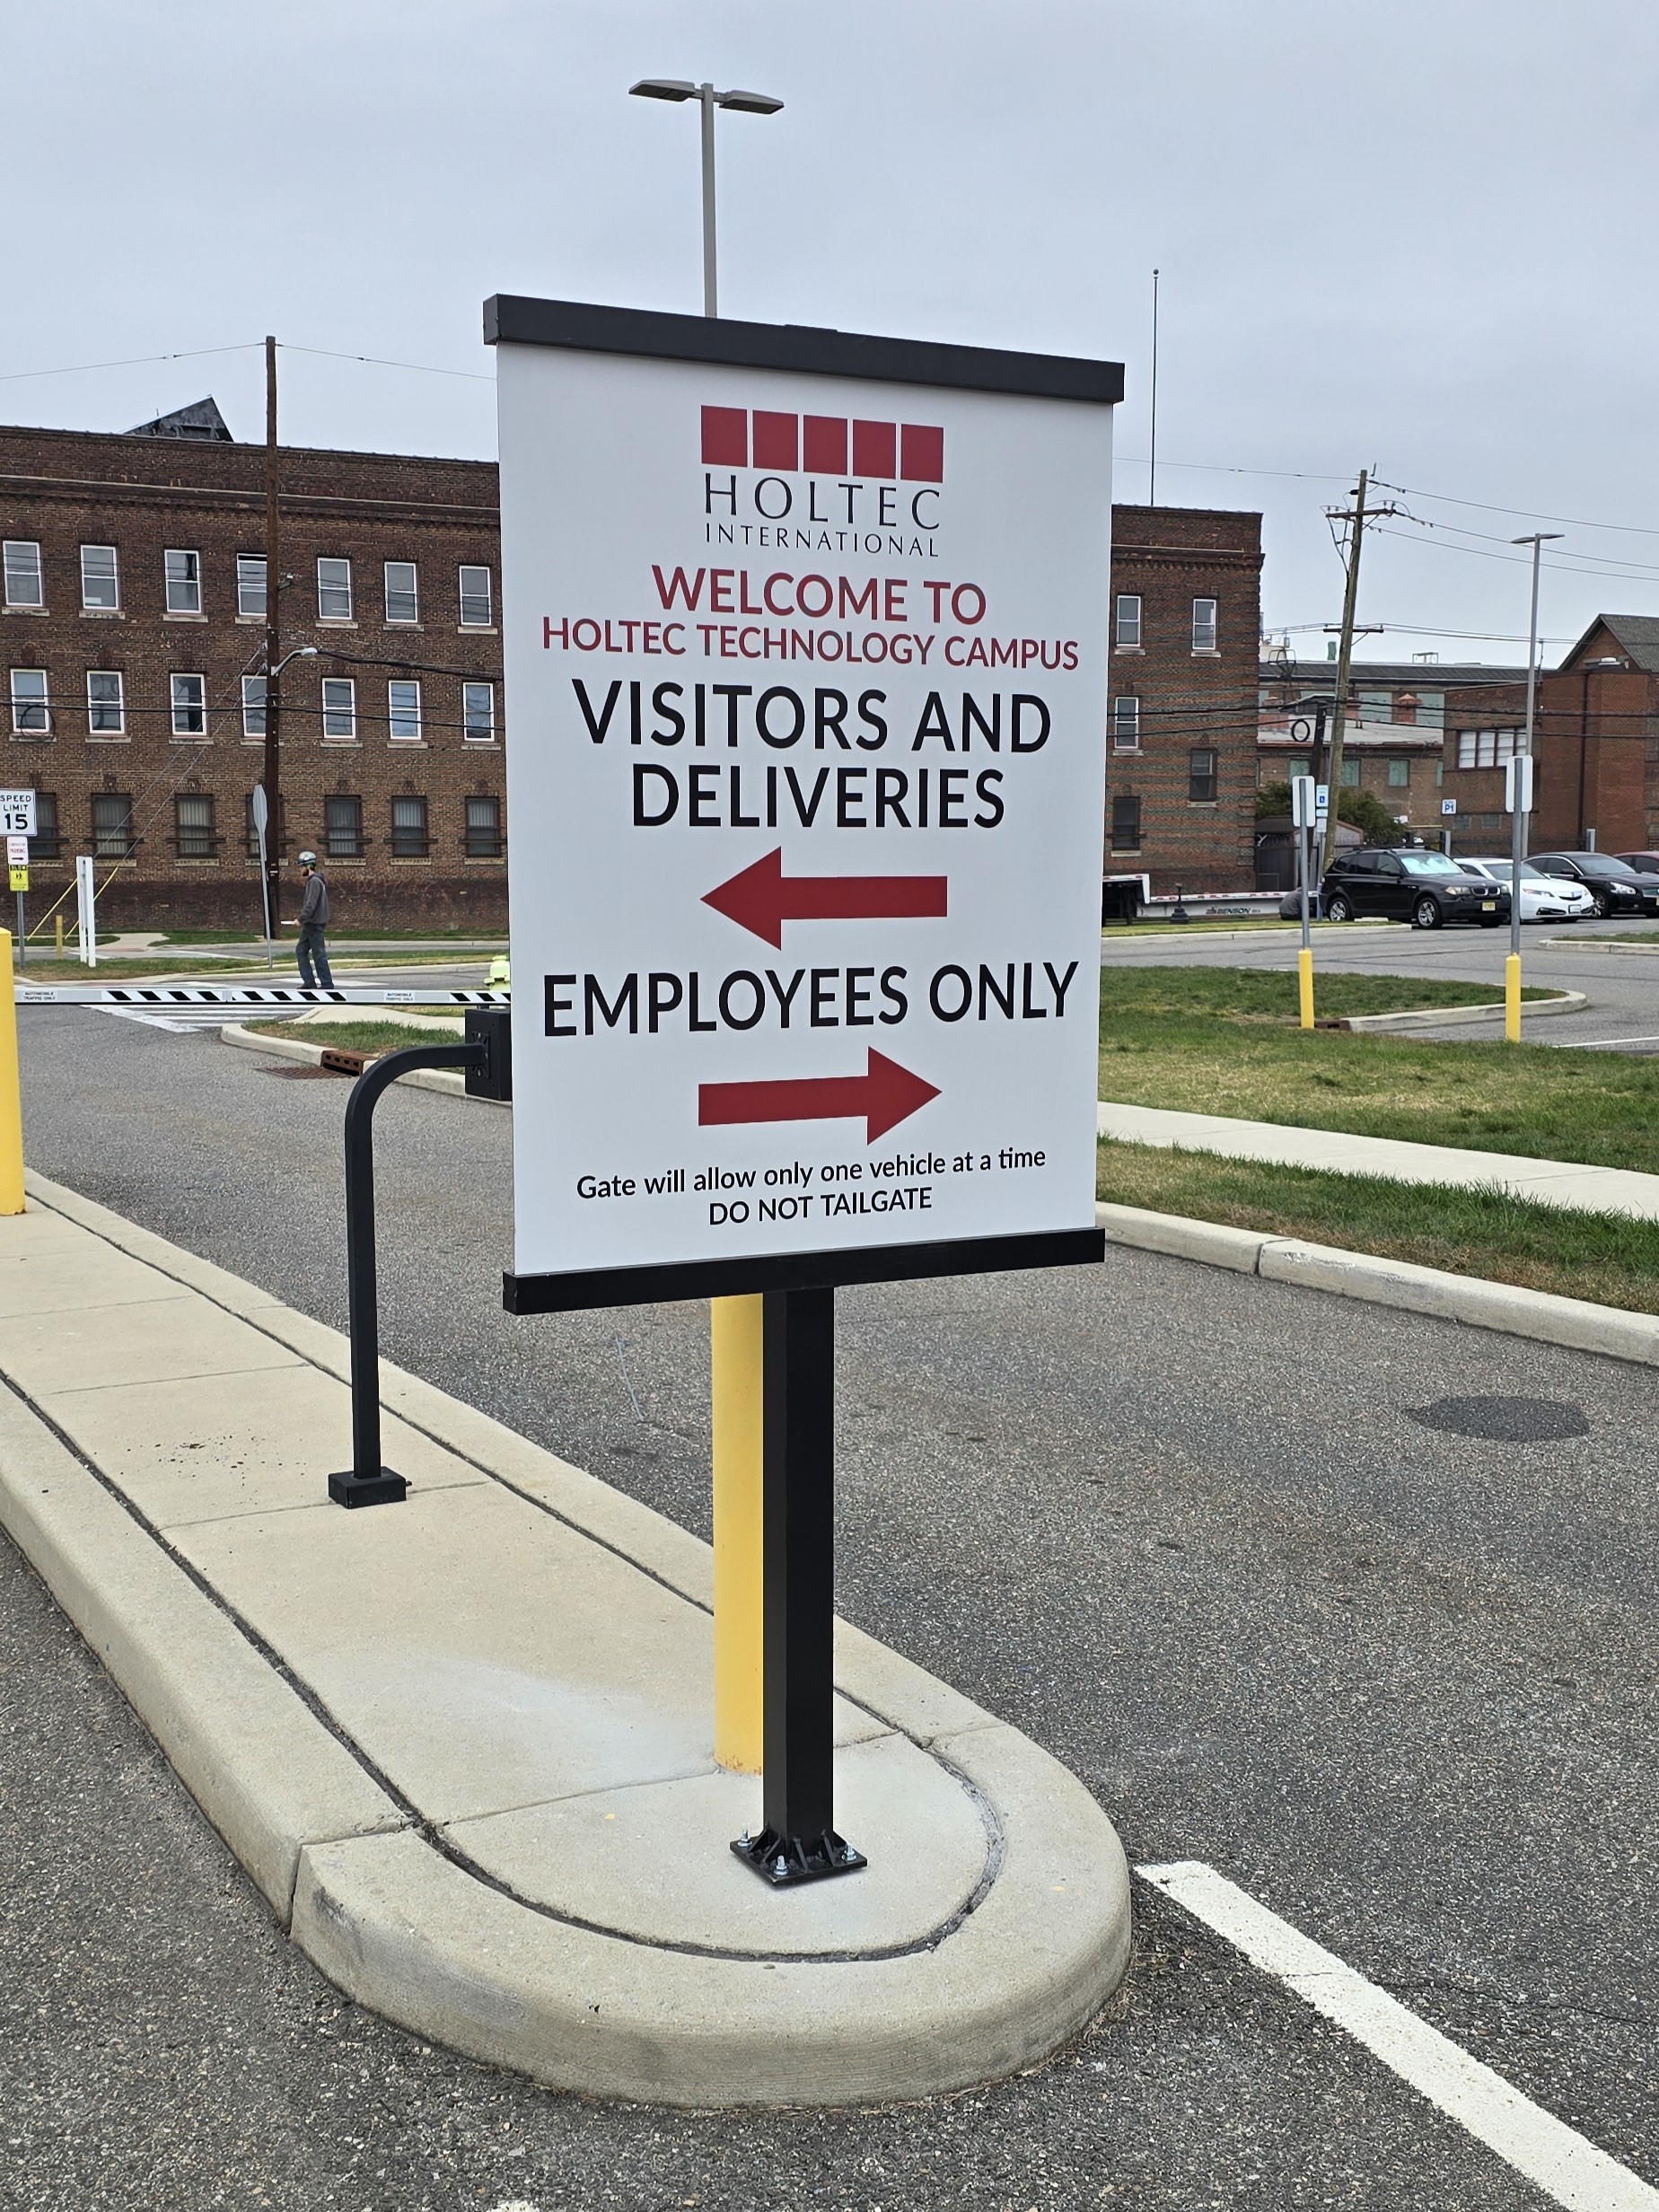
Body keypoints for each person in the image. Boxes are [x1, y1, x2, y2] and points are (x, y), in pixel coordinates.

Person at [294, 851, 334, 988]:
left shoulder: (314, 882)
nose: (300, 870)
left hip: (314, 924)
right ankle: (309, 981)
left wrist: (300, 919)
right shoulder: (315, 881)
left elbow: (311, 904)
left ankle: (327, 984)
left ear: (308, 867)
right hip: (310, 924)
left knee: (318, 955)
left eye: (301, 867)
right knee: (301, 951)